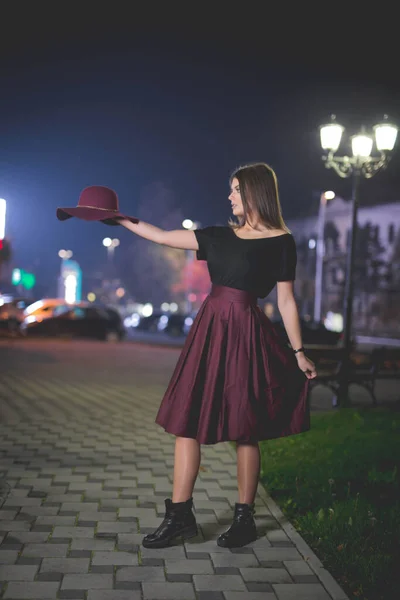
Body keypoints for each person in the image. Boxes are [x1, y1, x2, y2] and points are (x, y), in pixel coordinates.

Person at [115, 162, 317, 549]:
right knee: (185, 420)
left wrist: (299, 353)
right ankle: (179, 518)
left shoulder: (282, 242)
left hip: (247, 334)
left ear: (255, 192)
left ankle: (244, 520)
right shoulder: (217, 237)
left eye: (236, 189)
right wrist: (121, 220)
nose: (229, 195)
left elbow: (287, 302)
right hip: (209, 333)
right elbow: (160, 235)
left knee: (246, 427)